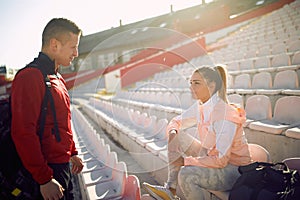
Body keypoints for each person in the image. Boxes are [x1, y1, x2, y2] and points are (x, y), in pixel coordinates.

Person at [143, 65, 252, 200]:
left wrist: (184, 161)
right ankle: (170, 189)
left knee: (186, 174)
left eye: (197, 83)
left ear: (211, 86)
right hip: (212, 157)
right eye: (191, 83)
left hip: (235, 171)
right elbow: (176, 122)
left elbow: (221, 160)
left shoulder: (224, 115)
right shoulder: (201, 106)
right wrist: (172, 135)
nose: (191, 87)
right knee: (179, 136)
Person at [11, 18, 83, 200]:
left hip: (62, 165)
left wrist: (72, 152)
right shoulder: (29, 77)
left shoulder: (58, 78)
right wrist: (44, 179)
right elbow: (23, 132)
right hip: (46, 171)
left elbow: (62, 121)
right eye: (73, 47)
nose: (76, 53)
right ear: (54, 45)